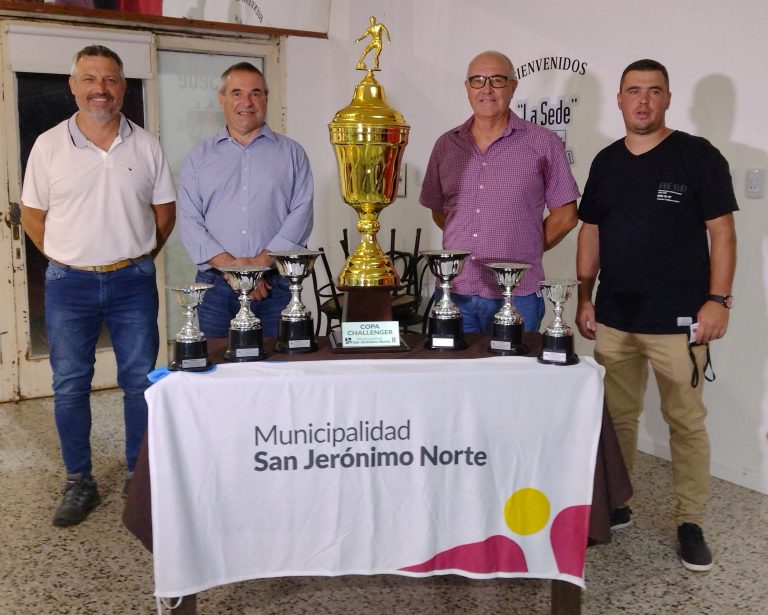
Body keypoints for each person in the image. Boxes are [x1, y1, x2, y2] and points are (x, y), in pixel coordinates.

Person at [575, 59, 738, 572]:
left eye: (653, 91)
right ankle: (618, 503)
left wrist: (719, 301)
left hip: (679, 321)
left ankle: (690, 521)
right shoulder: (605, 161)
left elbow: (723, 233)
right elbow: (591, 232)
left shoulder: (697, 156)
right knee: (616, 418)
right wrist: (585, 296)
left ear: (668, 99)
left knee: (685, 422)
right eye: (632, 91)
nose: (642, 100)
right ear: (619, 100)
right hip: (616, 317)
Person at [20, 45, 176, 527]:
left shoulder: (147, 145)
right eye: (89, 79)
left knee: (138, 382)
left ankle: (137, 473)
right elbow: (32, 216)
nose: (100, 89)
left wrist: (134, 256)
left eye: (109, 80)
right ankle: (79, 480)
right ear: (72, 86)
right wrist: (68, 256)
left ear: (122, 87)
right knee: (69, 385)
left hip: (133, 281)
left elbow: (164, 214)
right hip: (70, 284)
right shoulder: (48, 145)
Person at [419, 50, 580, 333]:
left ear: (513, 86)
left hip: (518, 296)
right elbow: (440, 211)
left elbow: (565, 216)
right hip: (455, 292)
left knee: (514, 376)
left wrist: (524, 247)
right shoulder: (446, 145)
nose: (487, 89)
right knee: (455, 375)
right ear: (467, 88)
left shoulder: (544, 143)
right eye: (478, 81)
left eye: (497, 80)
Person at [177, 62, 313, 339]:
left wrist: (258, 267)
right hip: (216, 288)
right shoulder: (199, 158)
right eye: (237, 93)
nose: (246, 102)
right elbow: (190, 220)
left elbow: (302, 214)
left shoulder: (292, 154)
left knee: (280, 370)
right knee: (217, 370)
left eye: (255, 93)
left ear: (266, 98)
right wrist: (234, 270)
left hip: (274, 287)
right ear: (222, 98)